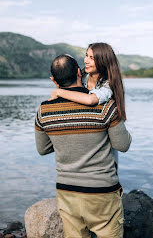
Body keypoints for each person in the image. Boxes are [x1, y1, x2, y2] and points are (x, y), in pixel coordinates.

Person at [35, 54, 132, 238]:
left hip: (67, 191)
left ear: (53, 80)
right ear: (79, 72)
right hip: (102, 194)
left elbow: (43, 149)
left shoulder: (44, 111)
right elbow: (123, 144)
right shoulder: (105, 106)